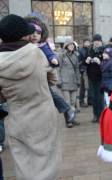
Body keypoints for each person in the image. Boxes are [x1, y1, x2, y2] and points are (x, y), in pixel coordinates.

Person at [0, 14, 60, 179]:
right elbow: (54, 79)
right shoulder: (36, 53)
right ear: (23, 35)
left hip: (17, 118)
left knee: (23, 164)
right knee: (46, 162)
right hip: (43, 115)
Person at [25, 15, 77, 128]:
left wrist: (52, 60)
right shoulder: (23, 46)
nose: (35, 35)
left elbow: (51, 55)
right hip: (28, 80)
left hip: (41, 77)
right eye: (32, 32)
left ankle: (67, 110)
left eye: (38, 33)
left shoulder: (42, 44)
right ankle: (66, 110)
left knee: (50, 93)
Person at [58, 40, 81, 118]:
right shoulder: (61, 55)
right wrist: (59, 80)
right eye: (70, 45)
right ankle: (68, 120)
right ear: (66, 46)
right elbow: (58, 69)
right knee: (67, 102)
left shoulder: (75, 56)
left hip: (74, 82)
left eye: (73, 45)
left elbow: (77, 69)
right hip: (65, 82)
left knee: (73, 102)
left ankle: (72, 118)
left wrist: (78, 80)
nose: (72, 46)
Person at [86, 34, 105, 123]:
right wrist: (87, 61)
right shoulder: (89, 50)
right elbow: (83, 62)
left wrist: (100, 62)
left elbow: (108, 63)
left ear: (101, 41)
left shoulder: (104, 50)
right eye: (95, 40)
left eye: (98, 41)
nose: (96, 42)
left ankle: (101, 115)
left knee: (100, 97)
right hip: (91, 77)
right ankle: (95, 115)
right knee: (93, 97)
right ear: (93, 41)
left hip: (101, 77)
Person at [78, 39, 91, 107]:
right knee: (83, 86)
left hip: (90, 70)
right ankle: (81, 101)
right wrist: (84, 63)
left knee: (89, 85)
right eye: (86, 42)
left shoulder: (90, 49)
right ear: (83, 43)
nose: (87, 43)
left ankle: (89, 101)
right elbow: (79, 61)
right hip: (83, 70)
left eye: (88, 42)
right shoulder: (80, 50)